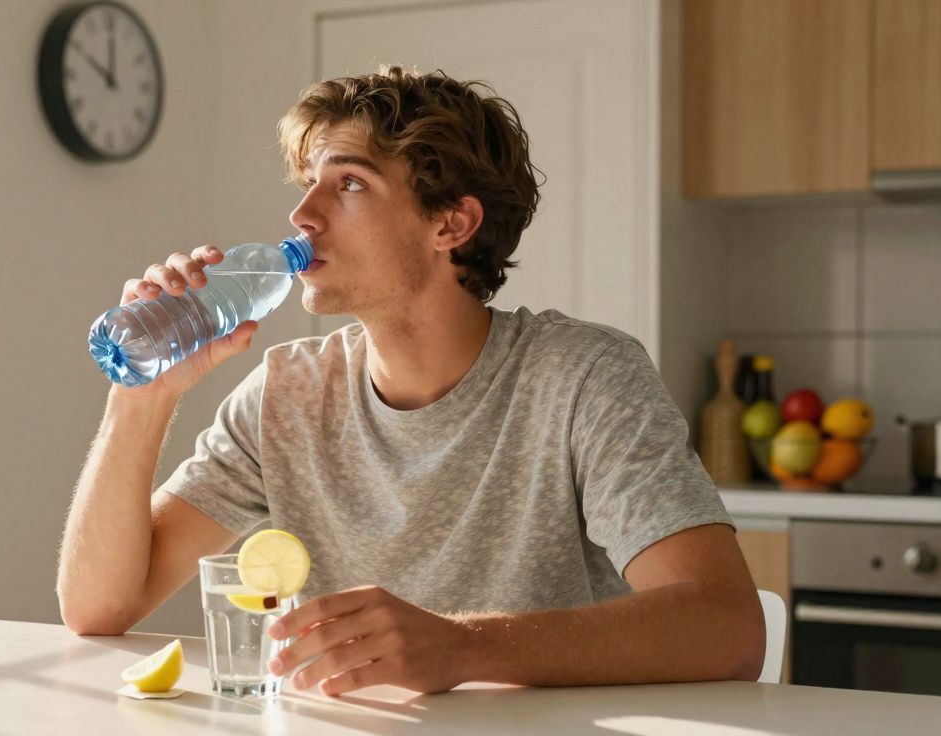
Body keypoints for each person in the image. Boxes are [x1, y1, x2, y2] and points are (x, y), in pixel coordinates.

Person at [57, 66, 765, 696]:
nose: (303, 217)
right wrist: (142, 398)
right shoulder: (288, 395)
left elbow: (726, 626)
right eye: (309, 185)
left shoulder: (581, 378)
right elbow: (97, 608)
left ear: (451, 223)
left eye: (350, 183)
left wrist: (463, 648)